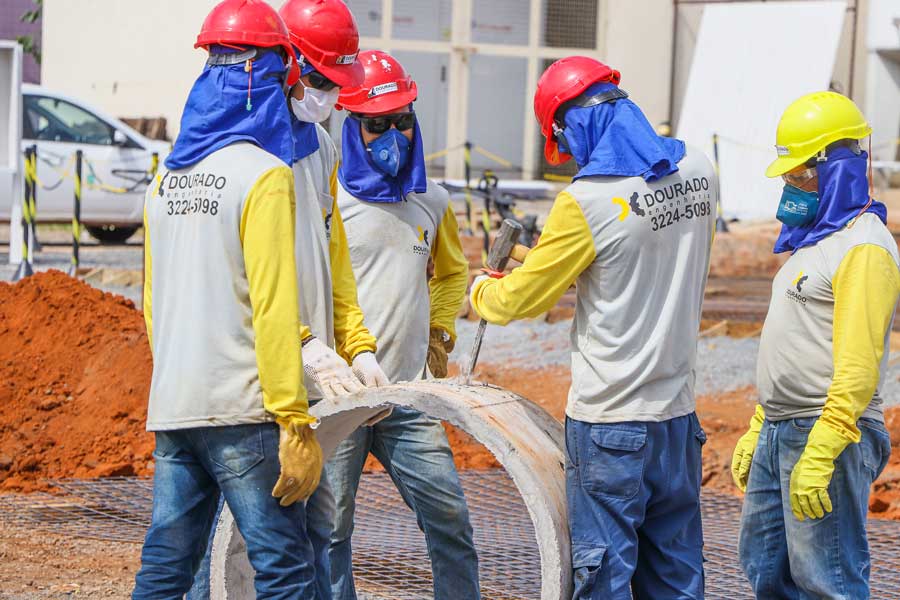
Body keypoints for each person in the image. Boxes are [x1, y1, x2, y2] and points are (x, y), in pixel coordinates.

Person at [468, 56, 717, 599]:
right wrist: (567, 260)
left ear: (569, 124)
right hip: (677, 420)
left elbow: (517, 302)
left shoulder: (585, 202)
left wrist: (481, 290)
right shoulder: (699, 168)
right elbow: (645, 258)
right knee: (676, 577)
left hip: (610, 425)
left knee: (602, 579)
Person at [186, 2, 383, 598]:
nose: (325, 98)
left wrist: (356, 343)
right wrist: (299, 344)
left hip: (309, 385)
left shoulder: (321, 148)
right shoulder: (228, 156)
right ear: (284, 63)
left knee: (313, 531)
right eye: (319, 81)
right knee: (214, 539)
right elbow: (233, 279)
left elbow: (335, 260)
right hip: (246, 381)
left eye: (334, 87)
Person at [131, 1, 323, 598]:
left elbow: (152, 303)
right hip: (242, 410)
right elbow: (272, 307)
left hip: (175, 406)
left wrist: (175, 378)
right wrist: (293, 419)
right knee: (284, 569)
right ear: (270, 81)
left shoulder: (167, 179)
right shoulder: (265, 174)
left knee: (166, 568)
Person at [325, 50, 480, 600]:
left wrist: (440, 335)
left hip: (409, 396)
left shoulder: (430, 201)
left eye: (402, 120)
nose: (393, 134)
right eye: (376, 123)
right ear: (351, 124)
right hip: (336, 397)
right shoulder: (326, 198)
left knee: (450, 523)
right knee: (329, 532)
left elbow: (452, 274)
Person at [734, 92, 899, 599]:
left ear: (840, 170)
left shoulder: (864, 248)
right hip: (781, 426)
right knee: (765, 569)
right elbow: (798, 341)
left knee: (828, 578)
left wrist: (826, 444)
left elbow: (858, 360)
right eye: (788, 177)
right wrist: (761, 421)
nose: (791, 187)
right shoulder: (813, 243)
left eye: (800, 175)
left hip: (825, 430)